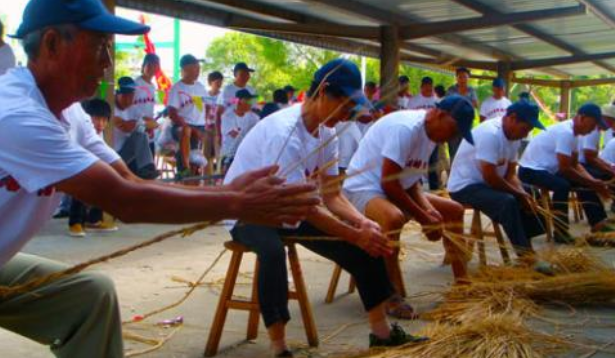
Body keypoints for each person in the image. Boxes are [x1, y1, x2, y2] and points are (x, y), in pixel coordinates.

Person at [0, 1, 318, 357]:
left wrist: (228, 191)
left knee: (91, 298)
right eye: (99, 46)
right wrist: (237, 203)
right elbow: (125, 202)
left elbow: (130, 181)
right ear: (53, 44)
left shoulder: (70, 112)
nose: (107, 61)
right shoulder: (16, 116)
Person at [225, 59, 428, 357]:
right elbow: (306, 208)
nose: (346, 114)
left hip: (290, 209)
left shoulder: (326, 133)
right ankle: (279, 346)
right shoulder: (285, 133)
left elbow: (332, 195)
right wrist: (353, 232)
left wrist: (361, 223)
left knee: (365, 244)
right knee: (271, 252)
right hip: (249, 211)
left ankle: (382, 333)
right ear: (322, 91)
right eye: (344, 105)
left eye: (350, 108)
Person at [343, 95, 474, 313]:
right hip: (361, 189)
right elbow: (389, 184)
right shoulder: (405, 129)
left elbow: (411, 183)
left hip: (394, 189)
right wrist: (424, 218)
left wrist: (430, 212)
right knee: (392, 218)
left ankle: (462, 284)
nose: (454, 136)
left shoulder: (432, 134)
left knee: (454, 210)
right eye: (454, 129)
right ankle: (388, 294)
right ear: (440, 115)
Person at [448, 101, 553, 273]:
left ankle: (528, 246)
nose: (527, 133)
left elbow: (510, 175)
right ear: (512, 118)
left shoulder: (515, 138)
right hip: (465, 186)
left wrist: (523, 194)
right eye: (526, 127)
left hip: (485, 184)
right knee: (508, 201)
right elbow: (491, 178)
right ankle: (526, 257)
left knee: (530, 192)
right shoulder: (490, 134)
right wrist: (519, 196)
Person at [518, 104, 612, 243]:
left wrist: (592, 181)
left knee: (584, 181)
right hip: (530, 170)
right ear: (582, 118)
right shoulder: (566, 132)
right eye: (592, 125)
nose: (593, 129)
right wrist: (593, 183)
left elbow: (575, 164)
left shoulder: (575, 134)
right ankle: (560, 231)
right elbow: (565, 169)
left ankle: (598, 222)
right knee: (562, 185)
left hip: (548, 169)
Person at [68, 99, 118, 237]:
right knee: (84, 181)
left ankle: (94, 220)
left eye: (104, 120)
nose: (101, 124)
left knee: (105, 179)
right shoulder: (78, 130)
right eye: (97, 119)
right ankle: (75, 222)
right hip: (70, 166)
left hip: (87, 164)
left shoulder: (99, 134)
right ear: (86, 118)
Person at [168, 54, 208, 178]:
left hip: (199, 126)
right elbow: (172, 112)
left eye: (198, 68)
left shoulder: (200, 87)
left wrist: (203, 128)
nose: (198, 71)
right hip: (182, 126)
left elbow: (204, 109)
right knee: (186, 132)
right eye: (195, 68)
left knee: (195, 164)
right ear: (185, 69)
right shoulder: (177, 88)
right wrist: (187, 126)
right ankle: (184, 169)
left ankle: (191, 174)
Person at [112, 76, 158, 179]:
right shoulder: (110, 107)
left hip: (126, 154)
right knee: (141, 130)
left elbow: (154, 124)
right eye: (125, 96)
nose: (128, 100)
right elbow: (123, 126)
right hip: (111, 156)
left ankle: (147, 169)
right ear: (117, 94)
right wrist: (139, 124)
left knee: (141, 132)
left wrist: (138, 124)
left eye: (131, 96)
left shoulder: (132, 108)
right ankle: (145, 169)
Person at [577, 104, 615, 211]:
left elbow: (593, 156)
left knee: (607, 173)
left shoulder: (597, 130)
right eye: (611, 121)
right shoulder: (593, 130)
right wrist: (610, 169)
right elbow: (590, 158)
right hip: (581, 164)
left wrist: (609, 167)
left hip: (583, 163)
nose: (611, 125)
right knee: (604, 176)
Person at [407, 77, 440, 190]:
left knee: (433, 161)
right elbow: (408, 117)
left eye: (430, 86)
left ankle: (435, 187)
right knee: (416, 160)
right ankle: (415, 185)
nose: (428, 88)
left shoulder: (438, 101)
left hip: (434, 135)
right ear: (421, 87)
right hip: (418, 134)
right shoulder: (413, 101)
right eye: (425, 86)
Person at [220, 89, 260, 174]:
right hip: (230, 156)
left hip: (247, 155)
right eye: (248, 101)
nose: (251, 103)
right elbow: (235, 134)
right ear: (240, 101)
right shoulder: (227, 116)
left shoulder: (254, 118)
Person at [447, 67, 478, 161]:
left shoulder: (471, 90)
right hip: (453, 125)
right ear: (456, 78)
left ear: (468, 78)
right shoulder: (451, 90)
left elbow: (475, 104)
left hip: (467, 125)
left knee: (467, 151)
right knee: (453, 152)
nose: (463, 79)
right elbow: (448, 104)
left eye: (465, 77)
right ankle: (453, 174)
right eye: (460, 77)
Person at [133, 53, 161, 158]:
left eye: (155, 65)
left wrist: (151, 124)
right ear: (143, 66)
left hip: (148, 130)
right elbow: (130, 107)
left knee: (149, 162)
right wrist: (143, 118)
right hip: (137, 127)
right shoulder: (135, 83)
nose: (151, 68)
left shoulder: (153, 87)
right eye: (149, 65)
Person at [204, 70, 223, 174]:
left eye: (221, 82)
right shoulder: (204, 96)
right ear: (211, 82)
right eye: (217, 82)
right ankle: (206, 180)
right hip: (206, 128)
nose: (219, 84)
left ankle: (218, 179)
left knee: (218, 154)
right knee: (205, 155)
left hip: (218, 128)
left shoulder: (223, 96)